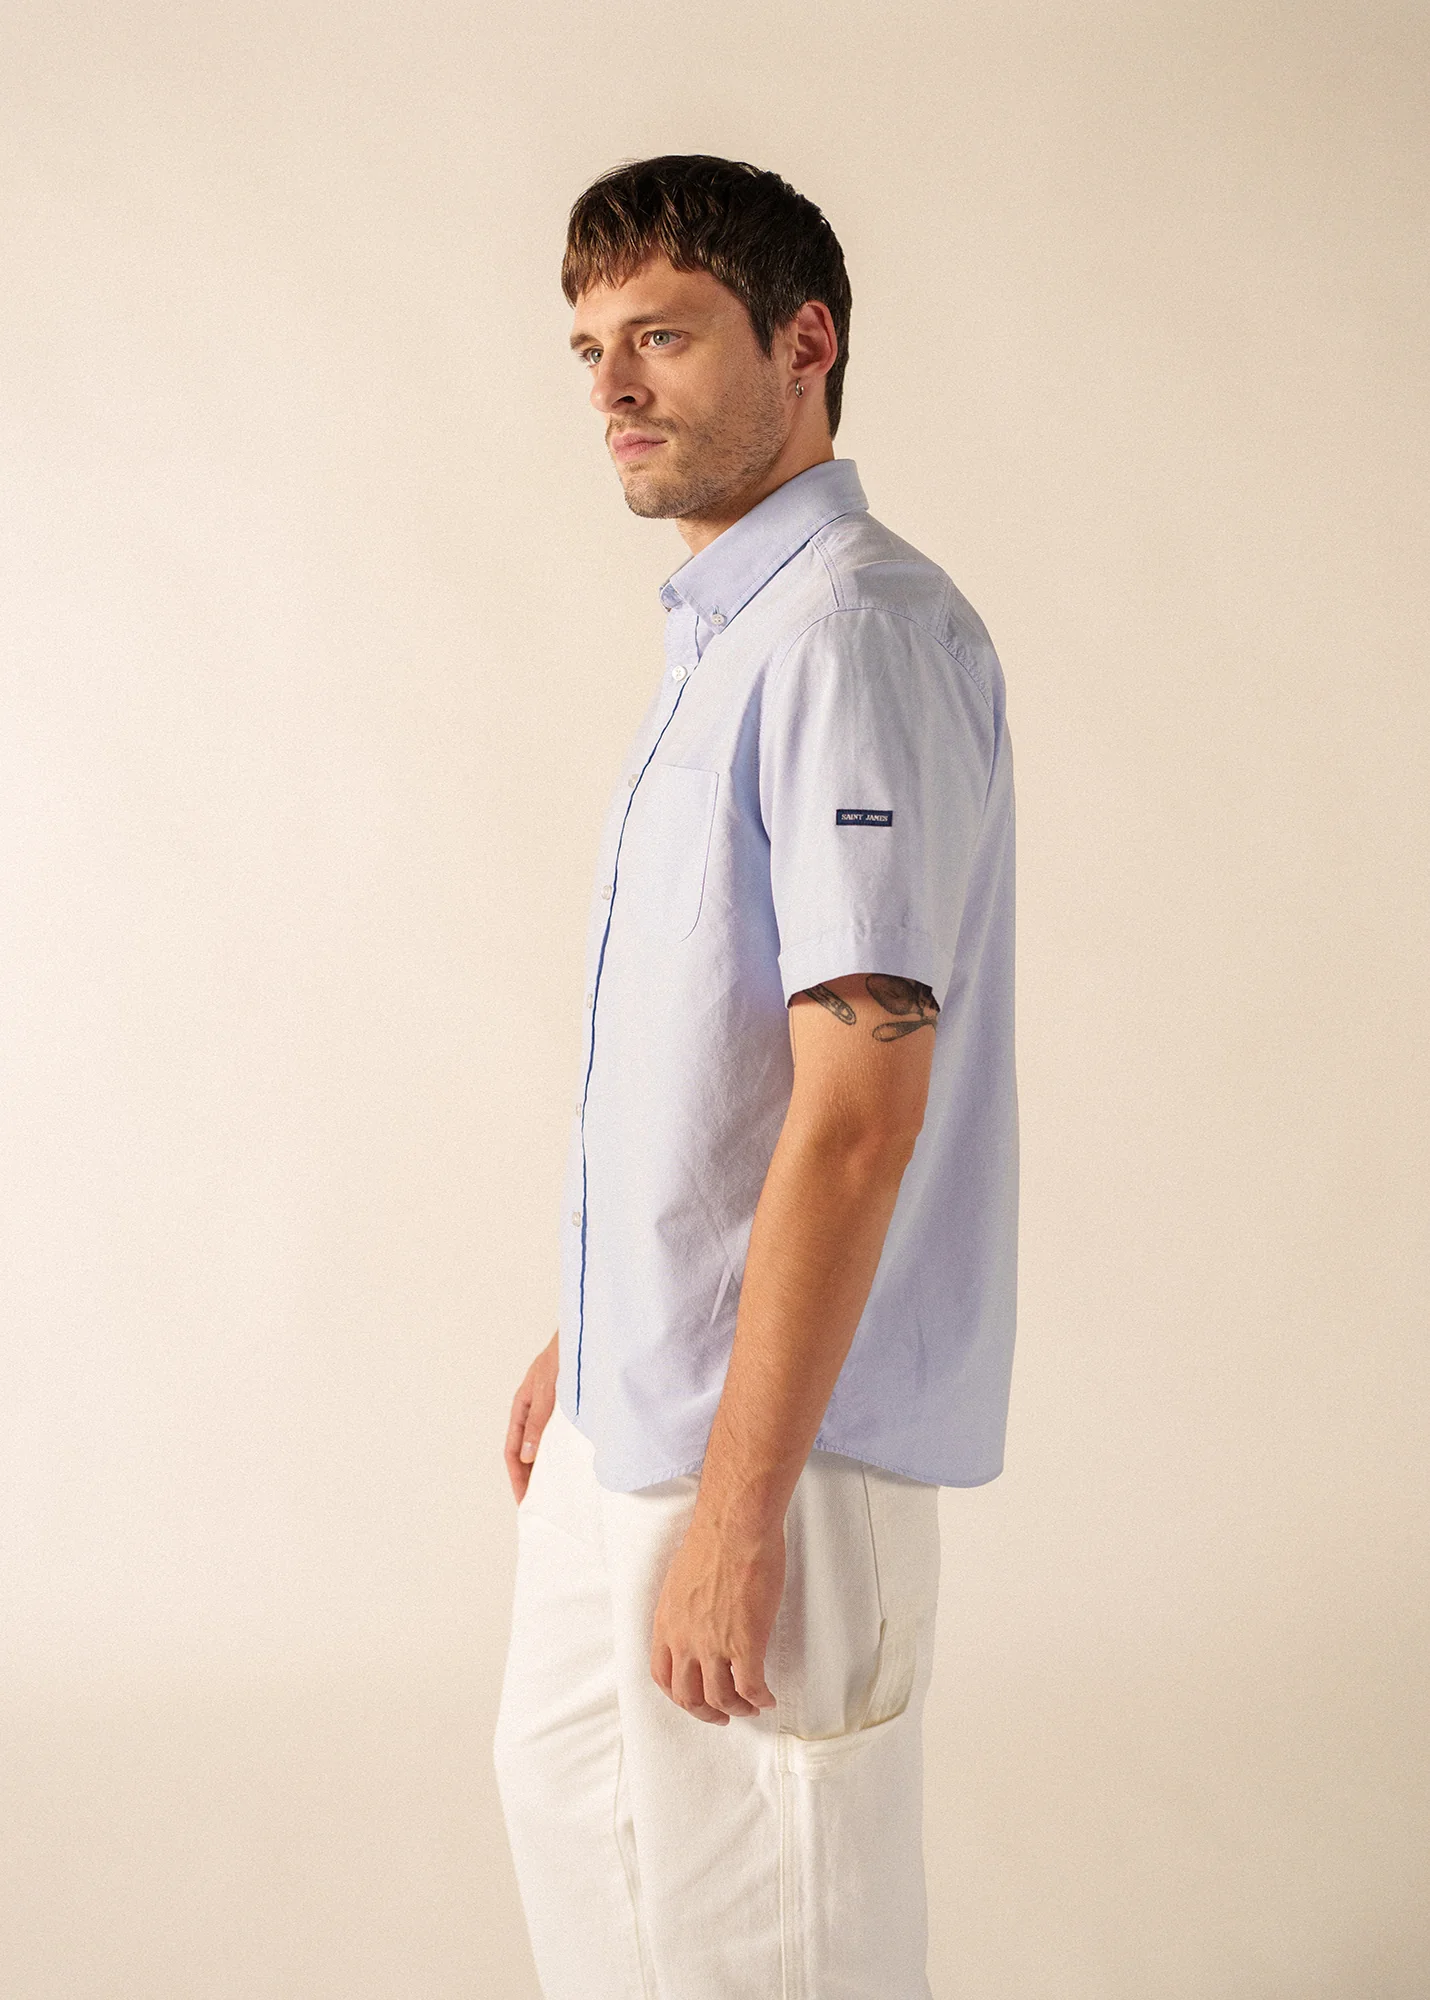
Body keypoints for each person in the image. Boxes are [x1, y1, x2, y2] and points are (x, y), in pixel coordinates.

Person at [492, 154, 1018, 2000]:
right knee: (591, 1858)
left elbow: (860, 1113)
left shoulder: (848, 638)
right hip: (638, 1398)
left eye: (661, 336)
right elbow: (710, 1057)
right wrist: (596, 1314)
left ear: (804, 346)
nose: (612, 389)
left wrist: (738, 1510)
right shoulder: (727, 636)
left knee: (769, 1940)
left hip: (773, 1444)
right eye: (589, 349)